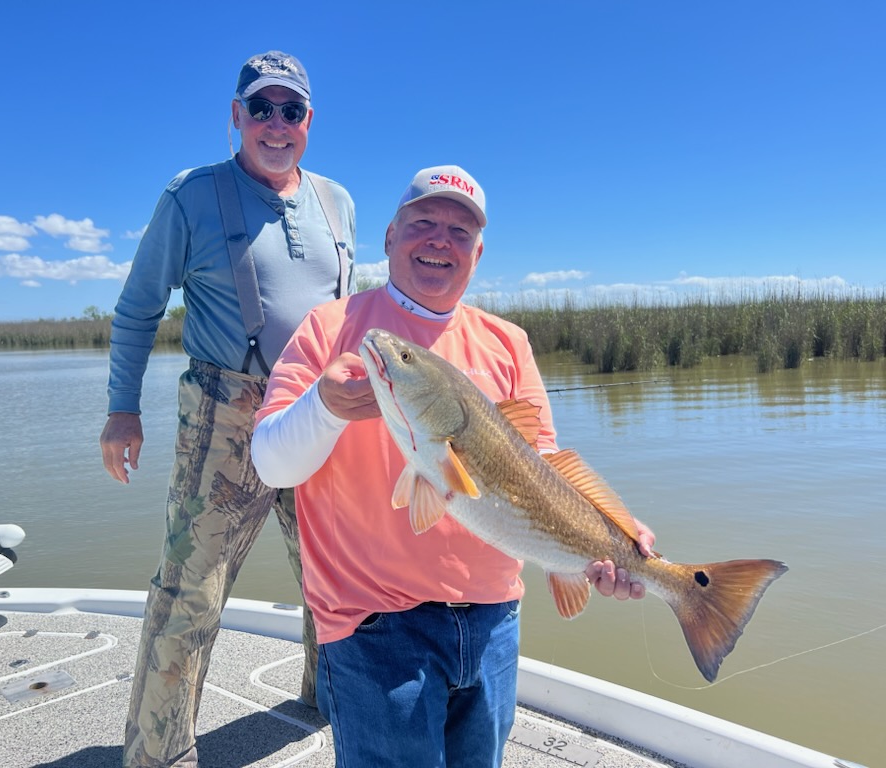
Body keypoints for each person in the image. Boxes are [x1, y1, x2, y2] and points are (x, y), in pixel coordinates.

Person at [250, 165, 653, 766]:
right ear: (388, 237)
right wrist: (326, 407)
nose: (440, 239)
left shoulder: (508, 341)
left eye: (460, 232)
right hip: (374, 628)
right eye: (423, 222)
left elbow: (543, 464)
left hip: (494, 623)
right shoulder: (330, 329)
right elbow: (271, 464)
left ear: (478, 252)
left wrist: (615, 541)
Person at [100, 51, 355, 768]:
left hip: (321, 410)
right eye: (261, 108)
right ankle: (158, 755)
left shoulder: (339, 202)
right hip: (225, 416)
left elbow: (345, 322)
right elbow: (137, 309)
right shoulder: (192, 196)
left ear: (309, 121)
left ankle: (329, 709)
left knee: (333, 580)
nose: (277, 124)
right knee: (191, 595)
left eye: (291, 110)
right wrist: (123, 410)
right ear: (236, 117)